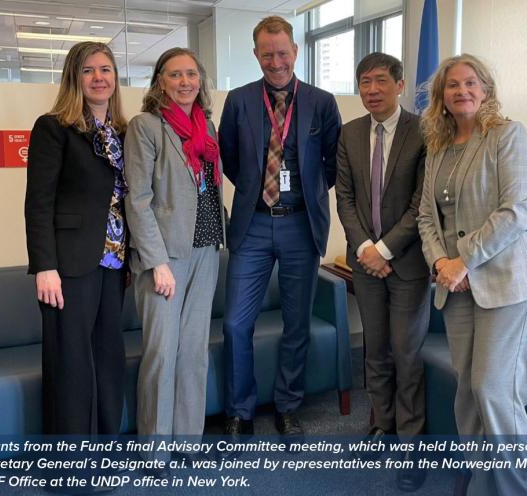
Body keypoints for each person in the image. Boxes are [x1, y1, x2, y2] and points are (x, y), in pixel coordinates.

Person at [417, 54, 527, 496]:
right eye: (452, 85)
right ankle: (481, 482)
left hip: (509, 282)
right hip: (456, 288)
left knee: (494, 390)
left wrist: (463, 261)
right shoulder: (437, 148)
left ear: (486, 89)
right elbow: (425, 217)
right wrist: (440, 263)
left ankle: (525, 489)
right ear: (441, 97)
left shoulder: (507, 136)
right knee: (469, 394)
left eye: (470, 83)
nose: (462, 91)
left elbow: (516, 211)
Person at [218, 15, 342, 442]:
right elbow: (229, 159)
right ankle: (239, 411)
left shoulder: (322, 102)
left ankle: (288, 406)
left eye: (283, 53)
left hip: (299, 225)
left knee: (296, 323)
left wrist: (300, 193)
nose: (276, 62)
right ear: (256, 55)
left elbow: (332, 162)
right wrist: (258, 190)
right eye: (267, 54)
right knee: (236, 323)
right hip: (252, 224)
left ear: (296, 51)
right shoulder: (238, 101)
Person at [124, 47, 225, 471]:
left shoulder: (207, 127)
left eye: (191, 74)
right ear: (160, 81)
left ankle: (188, 440)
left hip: (206, 248)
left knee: (193, 352)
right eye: (175, 75)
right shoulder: (145, 126)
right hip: (164, 258)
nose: (185, 82)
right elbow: (139, 198)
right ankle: (154, 449)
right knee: (162, 353)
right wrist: (156, 261)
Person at [335, 53, 430, 492]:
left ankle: (411, 444)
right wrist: (366, 248)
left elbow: (421, 203)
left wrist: (387, 247)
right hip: (366, 262)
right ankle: (383, 427)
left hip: (408, 264)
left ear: (399, 83)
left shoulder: (424, 131)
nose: (371, 90)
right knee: (375, 352)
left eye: (379, 81)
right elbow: (346, 199)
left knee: (406, 355)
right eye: (364, 82)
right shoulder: (350, 133)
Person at [25, 41, 128, 437]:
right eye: (88, 70)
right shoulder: (53, 127)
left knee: (107, 360)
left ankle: (104, 449)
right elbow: (38, 203)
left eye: (105, 69)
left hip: (114, 263)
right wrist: (45, 266)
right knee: (71, 367)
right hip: (68, 266)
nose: (99, 77)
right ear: (74, 77)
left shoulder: (121, 131)